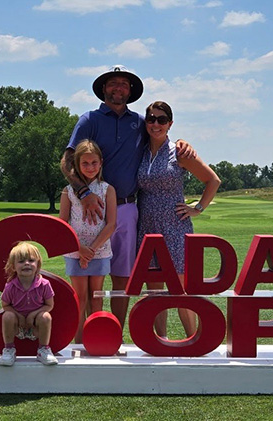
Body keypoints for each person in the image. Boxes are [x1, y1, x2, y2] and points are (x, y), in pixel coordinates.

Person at [60, 65, 195, 331]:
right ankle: (89, 334)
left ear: (130, 91)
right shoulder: (90, 120)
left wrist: (182, 142)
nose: (118, 87)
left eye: (123, 83)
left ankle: (113, 335)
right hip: (92, 209)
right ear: (103, 89)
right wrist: (83, 192)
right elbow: (66, 161)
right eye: (113, 83)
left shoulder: (139, 123)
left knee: (122, 279)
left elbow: (160, 135)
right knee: (90, 277)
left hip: (127, 209)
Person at [137, 101, 220, 338]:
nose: (156, 124)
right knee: (154, 291)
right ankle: (160, 341)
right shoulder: (141, 152)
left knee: (181, 289)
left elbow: (213, 180)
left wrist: (198, 208)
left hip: (175, 227)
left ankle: (193, 340)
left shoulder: (179, 152)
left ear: (170, 124)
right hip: (147, 227)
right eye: (151, 119)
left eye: (162, 120)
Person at [59, 140, 117, 343]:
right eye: (85, 163)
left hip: (99, 251)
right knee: (80, 299)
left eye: (94, 162)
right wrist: (79, 249)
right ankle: (79, 343)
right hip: (75, 252)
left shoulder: (107, 189)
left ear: (101, 163)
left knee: (97, 298)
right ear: (77, 164)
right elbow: (62, 224)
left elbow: (111, 224)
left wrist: (91, 250)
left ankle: (95, 340)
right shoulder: (68, 192)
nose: (90, 167)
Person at [0, 242, 58, 366]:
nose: (27, 263)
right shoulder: (11, 286)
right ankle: (9, 349)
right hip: (18, 326)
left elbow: (49, 305)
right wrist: (19, 316)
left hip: (36, 326)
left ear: (38, 264)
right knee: (7, 316)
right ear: (13, 266)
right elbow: (5, 305)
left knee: (46, 316)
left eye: (31, 260)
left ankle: (43, 350)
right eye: (21, 261)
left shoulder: (44, 284)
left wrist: (33, 315)